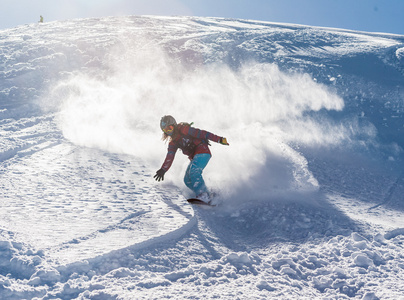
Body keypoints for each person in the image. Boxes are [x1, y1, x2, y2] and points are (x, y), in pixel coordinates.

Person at [154, 115, 229, 203]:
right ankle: (208, 194)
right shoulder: (173, 142)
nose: (169, 132)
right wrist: (163, 169)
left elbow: (203, 133)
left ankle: (203, 195)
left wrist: (219, 139)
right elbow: (170, 156)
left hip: (202, 151)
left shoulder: (184, 129)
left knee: (194, 172)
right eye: (166, 130)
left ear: (174, 125)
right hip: (195, 157)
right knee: (187, 180)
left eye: (170, 128)